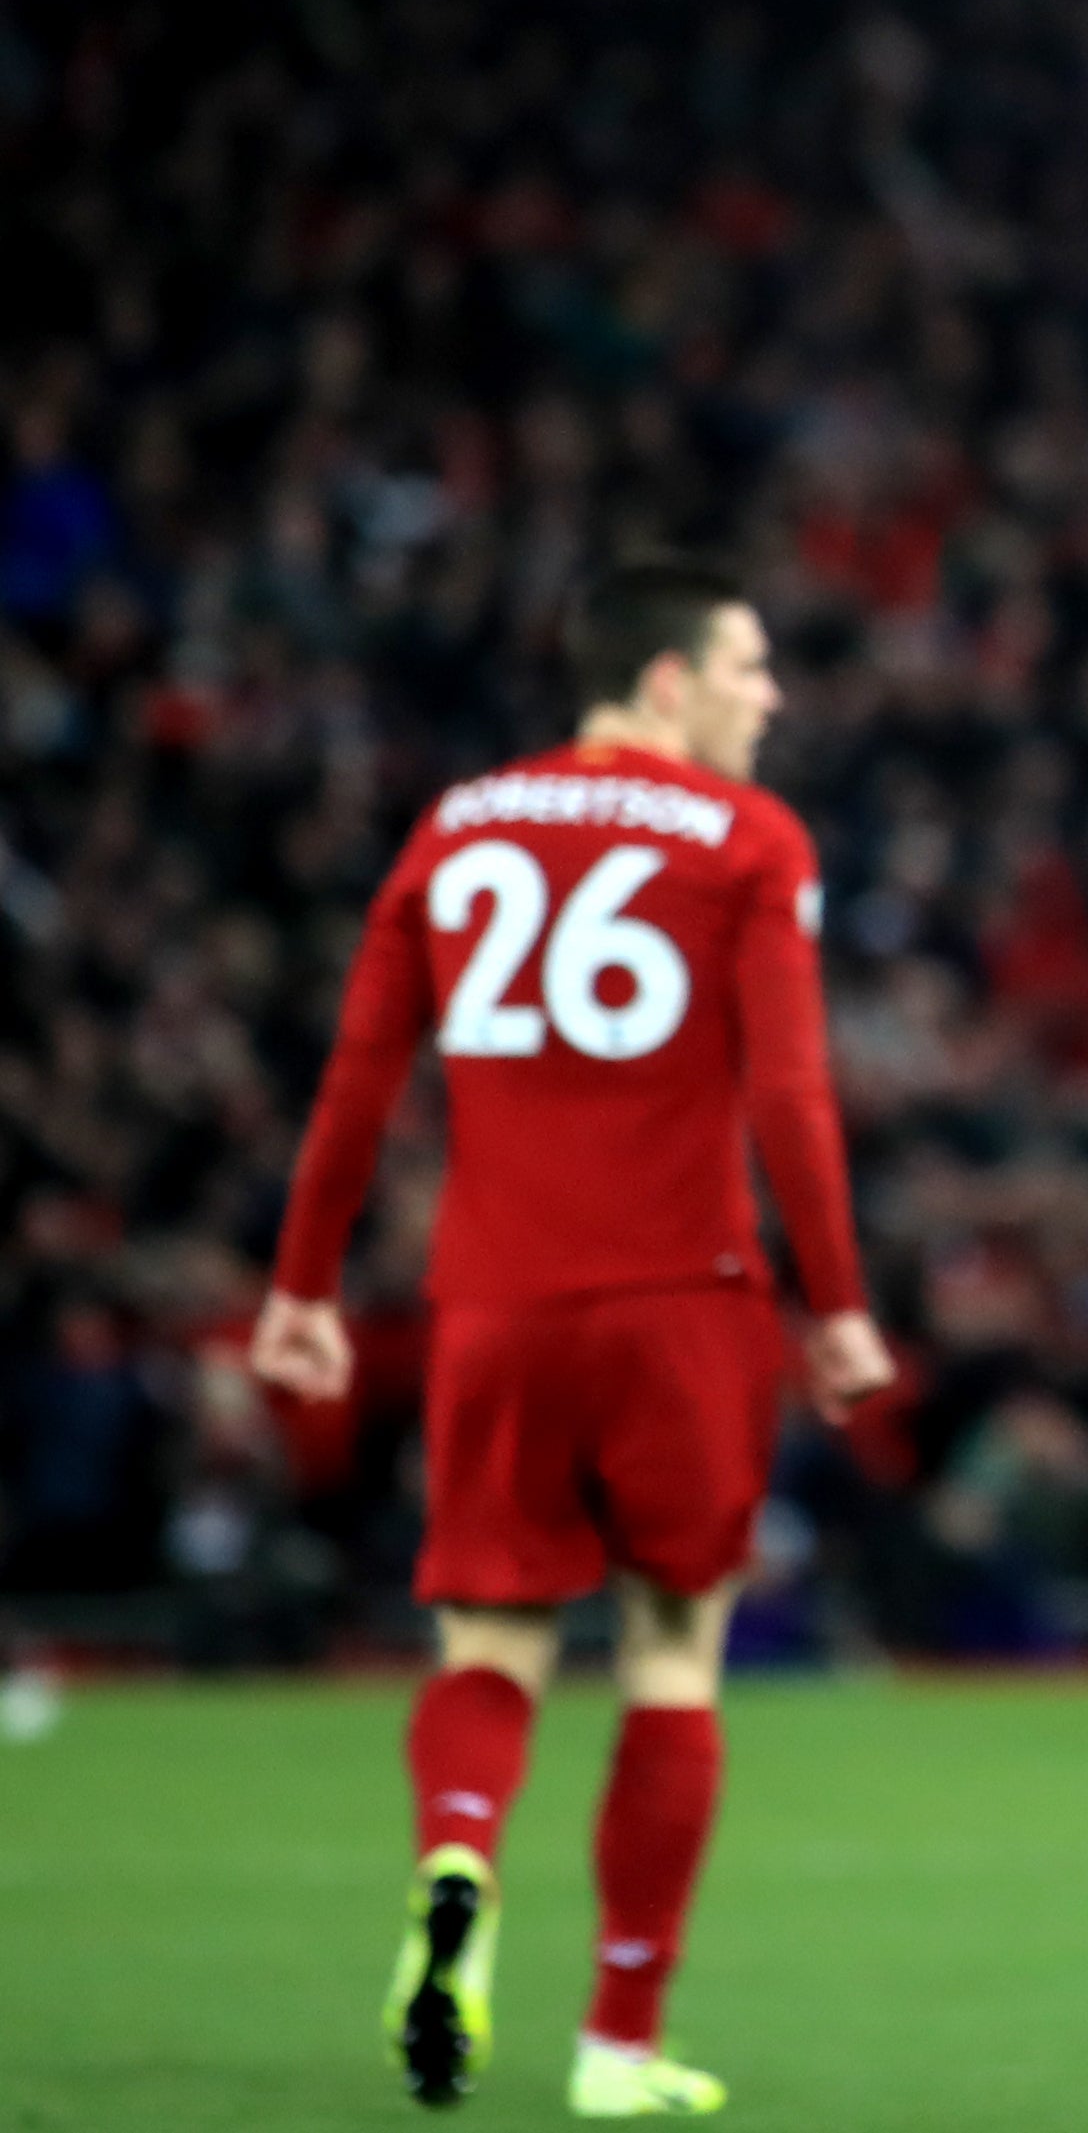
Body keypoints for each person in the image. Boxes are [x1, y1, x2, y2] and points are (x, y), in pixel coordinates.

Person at [251, 554, 890, 2117]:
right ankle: (615, 2046)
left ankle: (459, 1857)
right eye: (747, 665)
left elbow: (359, 1069)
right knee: (674, 1656)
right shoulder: (750, 837)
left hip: (497, 1304)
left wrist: (303, 1285)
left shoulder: (458, 823)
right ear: (665, 678)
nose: (770, 694)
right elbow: (791, 1094)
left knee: (491, 1644)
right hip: (683, 1302)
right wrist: (844, 1302)